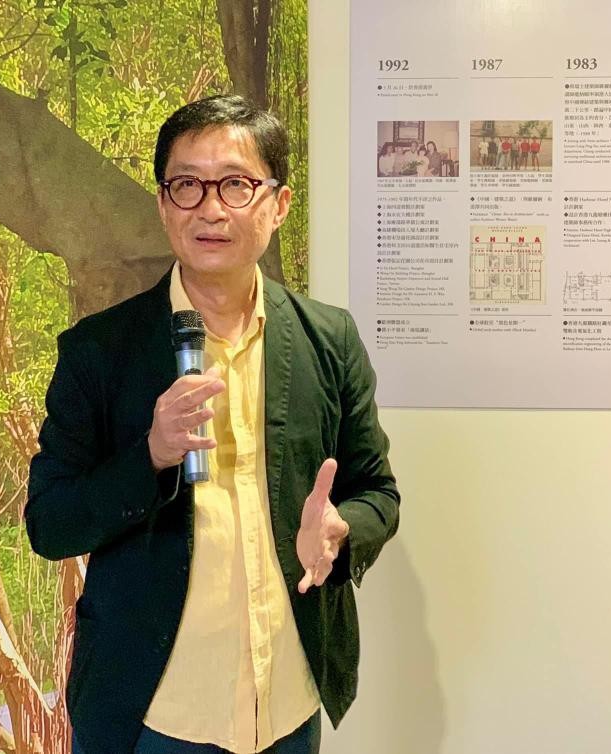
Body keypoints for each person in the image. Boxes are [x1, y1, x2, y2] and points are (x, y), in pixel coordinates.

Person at [26, 94, 400, 754]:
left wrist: (342, 531)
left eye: (235, 184)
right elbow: (51, 525)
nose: (210, 208)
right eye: (187, 185)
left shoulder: (329, 340)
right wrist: (150, 455)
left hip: (286, 700)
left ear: (278, 205)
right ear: (163, 204)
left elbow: (378, 493)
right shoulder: (99, 352)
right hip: (152, 713)